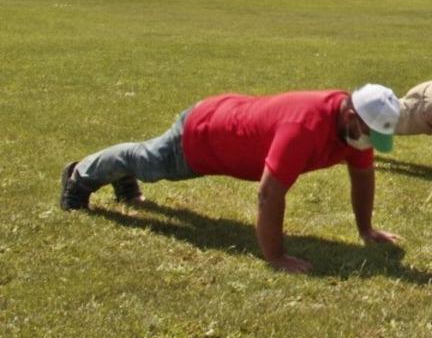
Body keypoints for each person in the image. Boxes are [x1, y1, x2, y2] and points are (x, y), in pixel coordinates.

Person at [59, 84, 402, 273]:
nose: (371, 143)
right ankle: (79, 176)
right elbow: (269, 194)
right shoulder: (305, 126)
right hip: (205, 134)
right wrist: (276, 256)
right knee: (148, 161)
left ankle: (123, 182)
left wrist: (365, 229)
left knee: (146, 162)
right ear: (351, 114)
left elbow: (362, 177)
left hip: (226, 131)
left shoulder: (355, 131)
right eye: (369, 133)